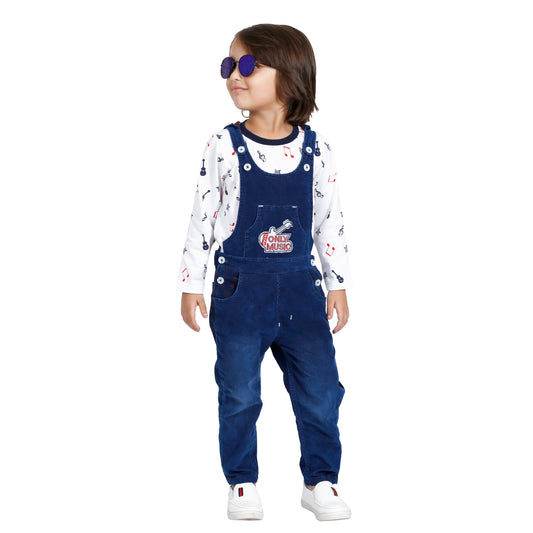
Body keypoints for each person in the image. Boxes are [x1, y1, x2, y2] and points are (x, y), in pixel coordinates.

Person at [179, 24, 352, 521]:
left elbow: (329, 220)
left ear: (291, 75)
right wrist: (191, 282)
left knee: (321, 391)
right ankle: (242, 482)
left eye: (249, 65)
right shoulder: (223, 145)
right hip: (240, 293)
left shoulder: (316, 149)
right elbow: (203, 216)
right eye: (228, 65)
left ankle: (320, 480)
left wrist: (337, 282)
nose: (234, 75)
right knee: (239, 394)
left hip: (302, 292)